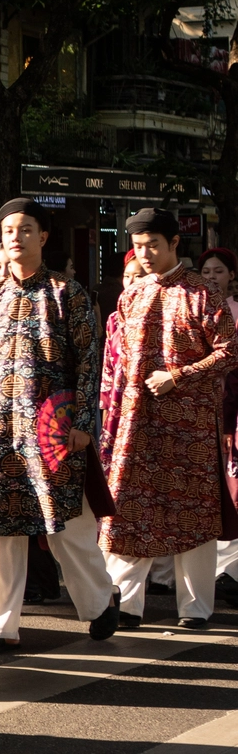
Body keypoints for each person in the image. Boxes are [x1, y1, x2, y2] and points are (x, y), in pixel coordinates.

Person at [0, 198, 120, 653]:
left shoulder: (67, 293)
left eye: (26, 229)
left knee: (66, 524)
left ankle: (98, 602)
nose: (16, 237)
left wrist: (84, 421)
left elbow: (89, 362)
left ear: (44, 237)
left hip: (52, 429)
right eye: (9, 229)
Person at [99, 209, 238, 630]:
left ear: (175, 243)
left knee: (193, 516)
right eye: (138, 247)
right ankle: (125, 604)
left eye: (153, 245)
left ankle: (195, 609)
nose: (145, 254)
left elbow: (230, 351)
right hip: (135, 424)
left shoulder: (202, 293)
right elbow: (115, 365)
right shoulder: (129, 295)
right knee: (128, 512)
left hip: (190, 427)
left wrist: (179, 376)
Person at [198, 247, 238, 604]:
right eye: (206, 271)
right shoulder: (196, 308)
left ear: (231, 276)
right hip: (202, 411)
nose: (211, 276)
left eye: (219, 271)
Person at [98, 251, 145, 471]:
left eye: (139, 275)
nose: (132, 282)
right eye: (128, 276)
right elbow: (108, 366)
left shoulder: (162, 314)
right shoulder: (114, 319)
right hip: (118, 401)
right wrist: (106, 406)